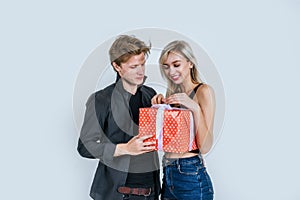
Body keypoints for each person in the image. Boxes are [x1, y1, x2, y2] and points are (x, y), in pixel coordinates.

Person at [77, 35, 161, 200]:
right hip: (118, 194)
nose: (140, 71)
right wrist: (125, 149)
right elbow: (85, 147)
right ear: (117, 66)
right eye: (133, 66)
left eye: (142, 64)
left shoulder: (149, 94)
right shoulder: (100, 100)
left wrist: (165, 108)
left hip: (151, 192)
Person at [151, 40, 215, 200]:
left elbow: (205, 146)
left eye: (176, 64)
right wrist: (159, 108)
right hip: (168, 172)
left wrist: (194, 107)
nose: (170, 71)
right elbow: (165, 140)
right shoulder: (172, 94)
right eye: (166, 66)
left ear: (190, 63)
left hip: (190, 175)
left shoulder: (203, 91)